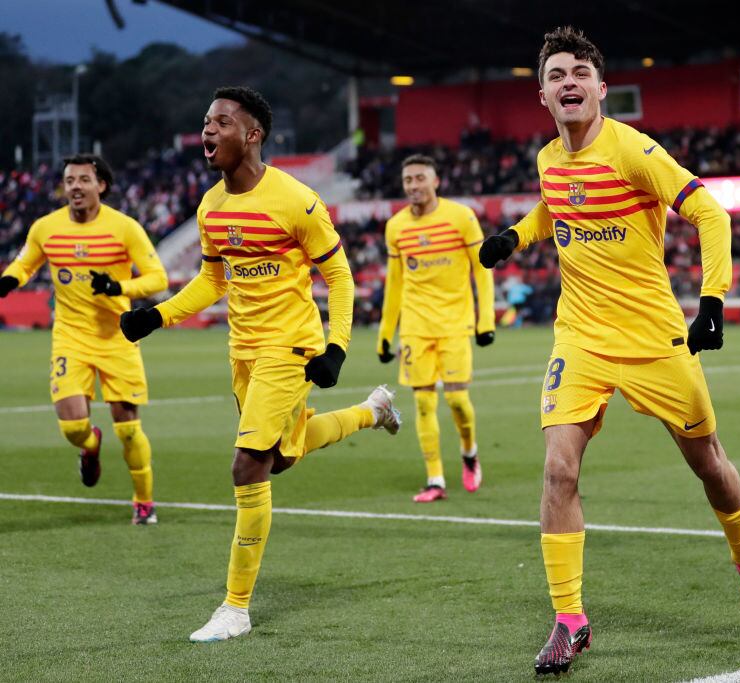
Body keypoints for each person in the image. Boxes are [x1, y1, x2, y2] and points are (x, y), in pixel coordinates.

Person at [477, 27, 740, 676]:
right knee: (558, 470)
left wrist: (712, 300)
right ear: (542, 95)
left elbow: (712, 213)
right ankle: (570, 619)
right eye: (556, 75)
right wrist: (517, 236)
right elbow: (555, 209)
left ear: (601, 89)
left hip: (653, 338)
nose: (568, 82)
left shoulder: (636, 151)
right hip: (580, 337)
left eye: (579, 73)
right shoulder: (548, 159)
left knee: (708, 463)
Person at [119, 87, 401, 642]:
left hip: (290, 347)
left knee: (247, 466)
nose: (208, 130)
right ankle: (373, 411)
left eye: (222, 122)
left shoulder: (296, 200)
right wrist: (157, 316)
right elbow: (213, 281)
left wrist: (336, 347)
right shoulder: (210, 206)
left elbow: (340, 276)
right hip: (242, 350)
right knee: (280, 460)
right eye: (206, 121)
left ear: (253, 135)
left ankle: (236, 608)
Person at [0, 154, 167, 525]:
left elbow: (157, 277)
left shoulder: (125, 228)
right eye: (69, 180)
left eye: (83, 180)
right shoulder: (46, 227)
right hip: (70, 337)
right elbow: (25, 262)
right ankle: (91, 447)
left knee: (128, 430)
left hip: (117, 337)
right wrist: (9, 280)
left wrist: (118, 287)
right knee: (74, 428)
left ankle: (144, 502)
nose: (75, 186)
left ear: (101, 186)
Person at [377, 155, 495, 502]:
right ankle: (435, 479)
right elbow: (394, 283)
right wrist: (386, 333)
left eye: (420, 178)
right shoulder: (396, 226)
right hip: (415, 327)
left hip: (455, 324)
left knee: (457, 400)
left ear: (436, 181)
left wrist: (486, 320)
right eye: (408, 180)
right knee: (424, 404)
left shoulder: (462, 217)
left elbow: (482, 270)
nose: (413, 185)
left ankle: (469, 452)